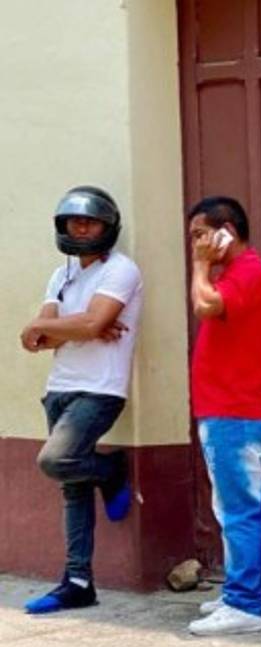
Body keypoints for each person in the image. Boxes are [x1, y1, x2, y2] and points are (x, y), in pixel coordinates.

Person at [19, 186, 143, 614]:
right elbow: (35, 337)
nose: (82, 229)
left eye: (90, 222)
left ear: (108, 227)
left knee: (55, 460)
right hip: (59, 387)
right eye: (74, 222)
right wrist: (81, 325)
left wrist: (79, 326)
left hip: (100, 388)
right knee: (72, 488)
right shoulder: (62, 274)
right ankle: (78, 582)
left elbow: (93, 322)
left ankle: (110, 470)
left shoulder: (121, 270)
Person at [184, 196, 261, 637]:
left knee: (240, 507)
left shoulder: (248, 272)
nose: (195, 246)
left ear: (226, 230)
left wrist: (201, 267)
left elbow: (204, 306)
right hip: (229, 409)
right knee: (243, 504)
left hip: (233, 410)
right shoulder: (240, 275)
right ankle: (248, 593)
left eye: (199, 235)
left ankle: (243, 604)